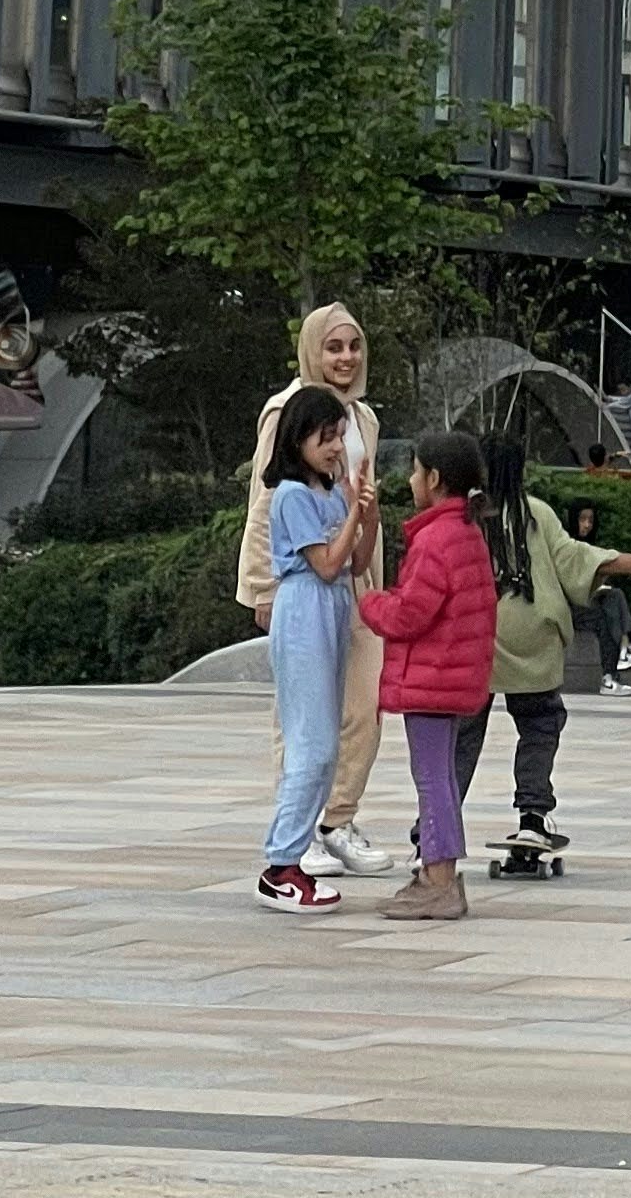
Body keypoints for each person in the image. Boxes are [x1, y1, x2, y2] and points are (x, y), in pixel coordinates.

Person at [456, 435, 631, 854]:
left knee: (463, 735)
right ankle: (532, 818)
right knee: (540, 724)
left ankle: (437, 823)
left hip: (476, 637)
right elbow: (576, 557)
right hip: (532, 633)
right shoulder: (535, 513)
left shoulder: (461, 518)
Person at [235, 304, 392, 878]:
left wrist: (377, 582)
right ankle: (297, 835)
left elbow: (364, 502)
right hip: (301, 584)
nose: (345, 358)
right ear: (311, 352)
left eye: (353, 346)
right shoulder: (287, 411)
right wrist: (261, 589)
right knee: (305, 718)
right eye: (333, 347)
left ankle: (338, 819)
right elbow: (263, 501)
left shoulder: (364, 418)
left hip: (355, 584)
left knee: (365, 709)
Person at [355, 427, 500, 922]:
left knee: (433, 779)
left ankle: (438, 879)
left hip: (431, 682)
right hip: (455, 679)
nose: (412, 479)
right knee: (442, 778)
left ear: (434, 478)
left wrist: (370, 602)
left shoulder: (435, 539)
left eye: (417, 471)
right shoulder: (467, 532)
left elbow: (411, 613)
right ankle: (439, 876)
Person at [255, 390, 375, 913]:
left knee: (326, 742)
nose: (334, 448)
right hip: (304, 609)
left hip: (331, 609)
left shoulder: (327, 492)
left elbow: (357, 561)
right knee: (312, 743)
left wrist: (365, 511)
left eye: (339, 436)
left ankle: (291, 860)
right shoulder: (290, 495)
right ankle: (281, 863)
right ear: (297, 440)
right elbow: (325, 563)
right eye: (324, 438)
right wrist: (351, 510)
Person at [564, 451, 631, 691]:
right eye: (583, 520)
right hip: (567, 605)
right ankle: (610, 675)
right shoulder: (565, 544)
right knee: (604, 616)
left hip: (585, 601)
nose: (587, 525)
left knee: (615, 596)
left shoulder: (591, 546)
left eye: (590, 520)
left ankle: (624, 650)